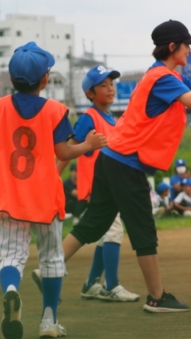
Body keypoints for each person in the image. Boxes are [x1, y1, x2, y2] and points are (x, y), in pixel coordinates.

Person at [59, 19, 191, 313]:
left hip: (115, 159)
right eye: (187, 46)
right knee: (142, 228)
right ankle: (157, 297)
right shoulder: (162, 77)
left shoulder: (167, 75)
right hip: (125, 162)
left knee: (95, 222)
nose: (190, 52)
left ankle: (50, 267)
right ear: (173, 47)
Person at [0, 42, 107, 339]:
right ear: (45, 80)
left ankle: (11, 290)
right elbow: (63, 153)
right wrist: (88, 145)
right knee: (51, 257)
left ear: (11, 80)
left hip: (9, 197)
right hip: (45, 197)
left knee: (11, 256)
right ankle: (48, 321)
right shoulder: (55, 110)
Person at [35, 64, 140, 303]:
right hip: (97, 186)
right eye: (103, 85)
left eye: (111, 83)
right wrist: (51, 178)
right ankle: (111, 285)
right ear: (90, 93)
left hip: (110, 184)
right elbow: (66, 151)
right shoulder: (89, 118)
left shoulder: (110, 119)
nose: (110, 88)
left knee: (103, 232)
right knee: (113, 232)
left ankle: (91, 283)